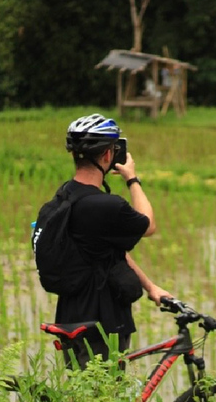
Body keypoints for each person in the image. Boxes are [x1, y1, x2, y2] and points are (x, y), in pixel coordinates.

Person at [56, 113, 171, 368]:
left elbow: (111, 252)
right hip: (102, 322)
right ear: (109, 155)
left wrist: (151, 287)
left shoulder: (65, 195)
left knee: (81, 397)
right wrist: (132, 178)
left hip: (70, 316)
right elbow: (148, 224)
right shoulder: (106, 205)